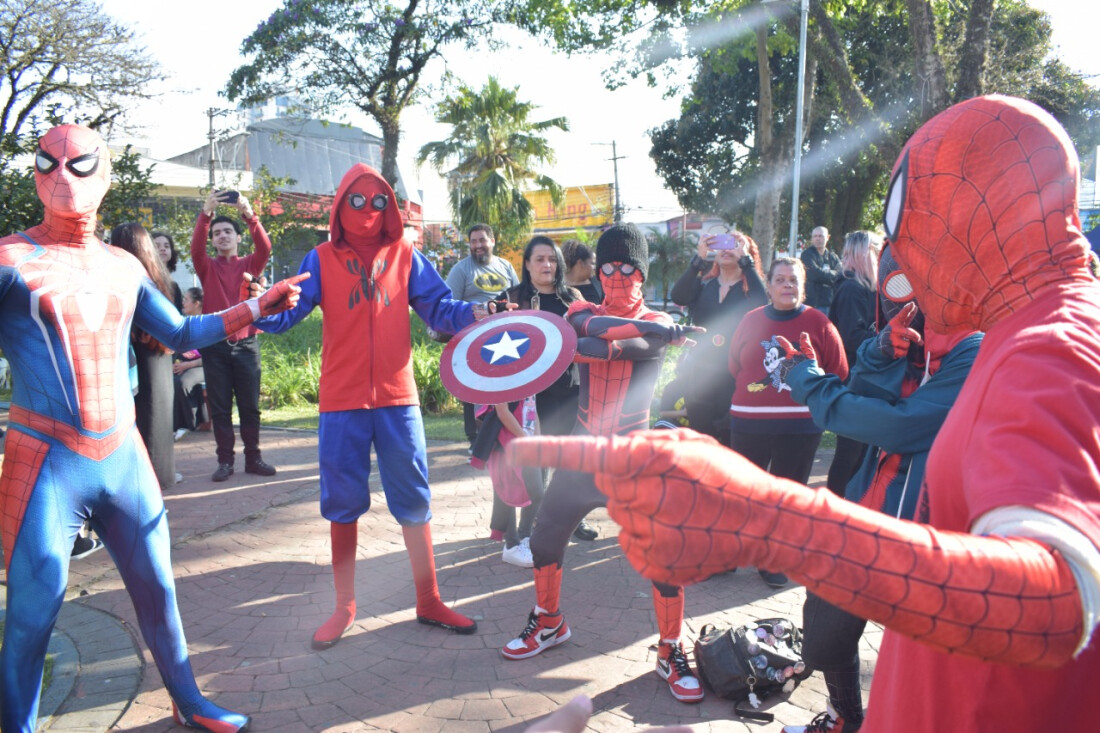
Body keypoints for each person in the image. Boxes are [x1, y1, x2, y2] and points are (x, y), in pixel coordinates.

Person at [509, 95, 1100, 733]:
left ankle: (672, 648)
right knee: (823, 632)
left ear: (969, 218)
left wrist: (772, 518)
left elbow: (1055, 606)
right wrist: (879, 357)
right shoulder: (1010, 333)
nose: (899, 266)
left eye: (909, 231)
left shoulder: (1055, 343)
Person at [0, 123, 304, 732]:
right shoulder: (10, 257)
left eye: (80, 164)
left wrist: (256, 306)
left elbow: (182, 334)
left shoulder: (122, 266)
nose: (63, 176)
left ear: (104, 173)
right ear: (36, 173)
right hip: (45, 460)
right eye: (48, 162)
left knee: (160, 593)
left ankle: (188, 702)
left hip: (122, 457)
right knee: (32, 614)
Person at [256, 163, 503, 650]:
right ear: (339, 206)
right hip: (341, 403)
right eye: (357, 201)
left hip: (398, 401)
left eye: (377, 202)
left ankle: (428, 598)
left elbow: (438, 307)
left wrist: (475, 312)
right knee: (342, 504)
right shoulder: (321, 257)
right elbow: (291, 313)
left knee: (414, 499)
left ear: (389, 206)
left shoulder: (406, 255)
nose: (368, 211)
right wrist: (262, 306)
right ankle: (344, 606)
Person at [501, 224, 709, 706]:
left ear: (642, 271)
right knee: (548, 535)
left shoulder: (657, 320)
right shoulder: (581, 308)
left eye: (627, 267)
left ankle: (670, 648)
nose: (617, 275)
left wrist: (646, 334)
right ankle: (549, 622)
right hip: (582, 451)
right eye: (609, 266)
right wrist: (649, 332)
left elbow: (634, 348)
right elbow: (587, 335)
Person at [779, 246, 982, 733]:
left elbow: (898, 426)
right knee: (826, 631)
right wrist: (879, 351)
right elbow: (867, 396)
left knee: (912, 662)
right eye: (896, 282)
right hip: (865, 509)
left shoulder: (975, 348)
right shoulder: (908, 336)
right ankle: (846, 716)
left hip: (925, 531)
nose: (908, 295)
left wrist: (810, 385)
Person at [727, 256, 848, 587]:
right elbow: (735, 364)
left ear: (803, 287)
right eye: (780, 279)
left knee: (788, 496)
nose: (787, 286)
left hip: (799, 427)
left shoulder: (819, 323)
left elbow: (838, 371)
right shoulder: (750, 320)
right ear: (768, 286)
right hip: (749, 423)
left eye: (793, 280)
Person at [501, 236, 595, 541]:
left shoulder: (573, 298)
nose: (547, 265)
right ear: (526, 264)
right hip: (529, 395)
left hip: (570, 388)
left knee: (570, 459)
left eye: (552, 259)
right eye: (539, 259)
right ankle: (529, 527)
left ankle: (572, 520)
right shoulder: (512, 298)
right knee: (537, 460)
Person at [190, 189, 275, 482]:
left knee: (250, 407)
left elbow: (265, 248)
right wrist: (206, 214)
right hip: (215, 349)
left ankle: (254, 458)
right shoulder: (207, 267)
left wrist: (248, 214)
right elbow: (195, 250)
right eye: (217, 233)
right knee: (221, 408)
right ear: (213, 240)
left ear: (238, 238)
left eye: (228, 231)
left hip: (247, 345)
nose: (222, 236)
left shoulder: (250, 265)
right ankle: (225, 462)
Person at [669, 230, 766, 445]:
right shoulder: (705, 286)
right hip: (700, 378)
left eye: (736, 245)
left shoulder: (750, 292)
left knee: (734, 446)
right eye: (722, 244)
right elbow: (679, 296)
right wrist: (699, 259)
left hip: (736, 379)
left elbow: (764, 306)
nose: (727, 249)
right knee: (702, 445)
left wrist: (746, 263)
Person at [111, 222, 179, 490]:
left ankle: (139, 490)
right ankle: (156, 485)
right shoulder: (162, 282)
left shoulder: (121, 280)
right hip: (158, 361)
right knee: (158, 425)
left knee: (138, 425)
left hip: (132, 362)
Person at [445, 223, 520, 449]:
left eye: (482, 240)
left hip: (505, 337)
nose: (478, 245)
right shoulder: (461, 270)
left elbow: (519, 296)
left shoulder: (506, 267)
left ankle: (505, 433)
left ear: (492, 241)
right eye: (473, 241)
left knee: (506, 388)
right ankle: (474, 439)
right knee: (473, 388)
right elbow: (449, 305)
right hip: (473, 338)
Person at [823, 231, 880, 496]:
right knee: (850, 454)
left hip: (866, 380)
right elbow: (852, 337)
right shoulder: (851, 289)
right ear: (863, 253)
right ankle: (834, 509)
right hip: (855, 381)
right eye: (877, 248)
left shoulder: (868, 289)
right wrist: (885, 340)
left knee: (862, 454)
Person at [472, 397, 543, 567]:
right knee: (507, 492)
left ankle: (525, 535)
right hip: (505, 441)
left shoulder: (528, 376)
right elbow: (502, 411)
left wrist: (537, 438)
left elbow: (533, 406)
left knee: (537, 491)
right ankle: (511, 546)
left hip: (526, 441)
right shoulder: (503, 375)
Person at [173, 287, 207, 439]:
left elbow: (209, 355)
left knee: (183, 382)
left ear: (197, 303)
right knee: (168, 380)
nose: (182, 303)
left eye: (186, 300)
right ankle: (173, 425)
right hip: (185, 364)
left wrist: (187, 365)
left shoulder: (207, 322)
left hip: (204, 365)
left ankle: (188, 424)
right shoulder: (184, 322)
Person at [800, 226, 841, 314]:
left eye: (821, 236)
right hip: (812, 305)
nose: (817, 239)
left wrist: (824, 275)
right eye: (815, 236)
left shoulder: (833, 257)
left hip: (831, 304)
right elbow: (814, 274)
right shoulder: (807, 255)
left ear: (828, 237)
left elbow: (841, 274)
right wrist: (833, 275)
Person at [561, 239, 602, 304]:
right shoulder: (555, 288)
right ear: (580, 263)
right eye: (592, 263)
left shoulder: (598, 284)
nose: (595, 267)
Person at [153, 230, 184, 312]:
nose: (163, 249)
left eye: (166, 246)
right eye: (157, 246)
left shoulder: (174, 287)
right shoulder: (145, 281)